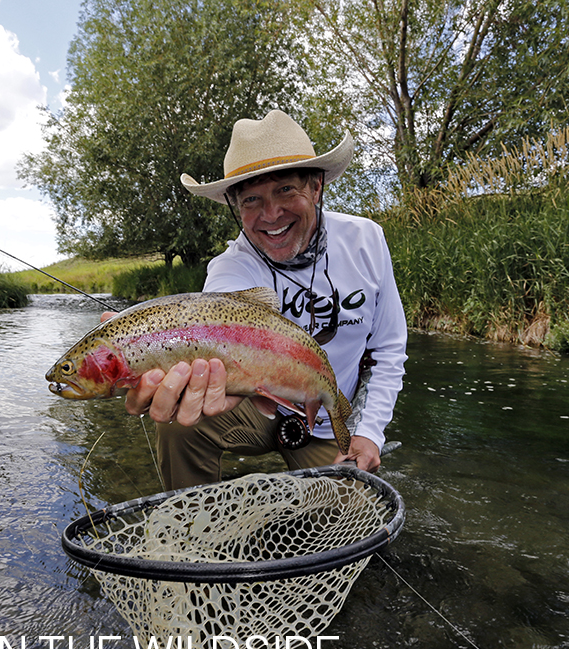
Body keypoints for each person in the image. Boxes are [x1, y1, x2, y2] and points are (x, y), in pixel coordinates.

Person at [121, 109, 407, 490]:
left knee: (351, 509)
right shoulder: (231, 269)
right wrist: (138, 345)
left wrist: (368, 432)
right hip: (252, 409)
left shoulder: (366, 242)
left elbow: (388, 350)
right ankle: (194, 535)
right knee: (177, 426)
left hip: (326, 419)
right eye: (252, 199)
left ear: (316, 186)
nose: (271, 214)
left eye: (286, 190)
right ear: (236, 207)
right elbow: (207, 328)